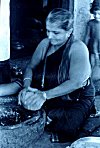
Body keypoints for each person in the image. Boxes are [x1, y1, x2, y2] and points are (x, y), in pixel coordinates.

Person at [18, 8, 95, 142]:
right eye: (48, 30)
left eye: (56, 32)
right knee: (29, 109)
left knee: (68, 127)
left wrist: (44, 95)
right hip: (51, 89)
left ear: (69, 32)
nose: (50, 36)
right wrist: (26, 86)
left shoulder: (78, 48)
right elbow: (31, 66)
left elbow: (76, 82)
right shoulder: (45, 44)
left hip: (75, 98)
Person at [85, 0, 100, 68]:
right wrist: (84, 46)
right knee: (93, 65)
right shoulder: (90, 23)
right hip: (93, 48)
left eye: (99, 14)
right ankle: (91, 77)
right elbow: (87, 36)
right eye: (94, 14)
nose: (96, 16)